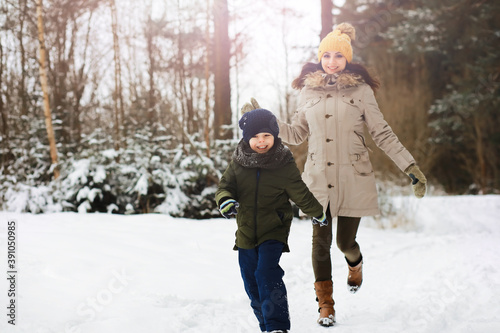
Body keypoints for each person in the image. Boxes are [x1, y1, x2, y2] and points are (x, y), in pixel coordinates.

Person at [243, 22, 427, 327]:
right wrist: (266, 119)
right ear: (320, 58)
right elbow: (298, 133)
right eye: (326, 55)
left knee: (344, 243)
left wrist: (410, 167)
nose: (331, 61)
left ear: (347, 59)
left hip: (353, 176)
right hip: (317, 180)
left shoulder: (362, 90)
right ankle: (325, 305)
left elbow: (381, 132)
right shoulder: (307, 90)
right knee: (320, 243)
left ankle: (355, 262)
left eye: (338, 56)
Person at [215, 108, 327, 333]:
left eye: (266, 135)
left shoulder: (283, 163)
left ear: (275, 135)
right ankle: (266, 327)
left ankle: (278, 327)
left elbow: (299, 191)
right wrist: (225, 201)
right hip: (246, 232)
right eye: (255, 136)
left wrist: (317, 212)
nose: (261, 141)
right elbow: (225, 186)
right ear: (247, 138)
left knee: (266, 272)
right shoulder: (239, 161)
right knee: (252, 283)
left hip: (274, 229)